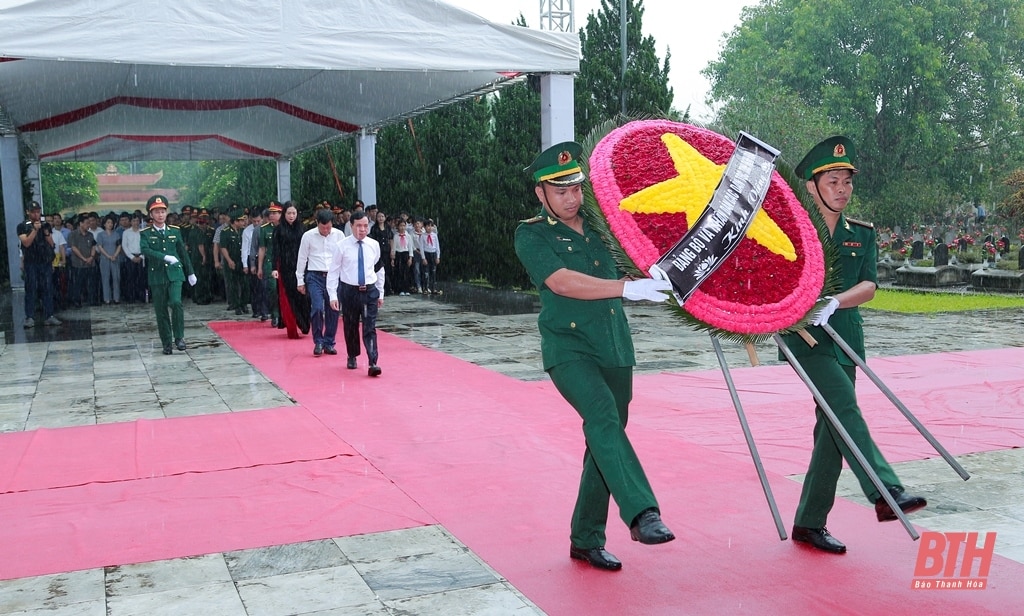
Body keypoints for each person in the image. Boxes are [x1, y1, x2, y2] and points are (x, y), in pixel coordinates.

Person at [514, 141, 676, 572]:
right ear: (541, 194)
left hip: (614, 346)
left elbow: (636, 264)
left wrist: (650, 277)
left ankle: (585, 539)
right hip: (569, 349)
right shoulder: (531, 233)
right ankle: (642, 513)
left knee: (603, 441)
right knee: (603, 418)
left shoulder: (605, 228)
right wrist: (624, 288)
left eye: (576, 188)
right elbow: (562, 281)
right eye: (560, 189)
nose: (571, 197)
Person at [783, 136, 927, 555]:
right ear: (811, 185)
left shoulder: (861, 233)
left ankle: (810, 522)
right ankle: (885, 491)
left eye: (847, 181)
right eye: (833, 180)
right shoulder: (794, 233)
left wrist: (835, 301)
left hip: (846, 336)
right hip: (805, 338)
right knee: (844, 408)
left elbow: (869, 285)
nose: (842, 188)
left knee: (832, 428)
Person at [328, 211, 385, 376]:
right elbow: (333, 272)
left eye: (365, 226)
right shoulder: (342, 246)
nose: (362, 229)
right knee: (350, 325)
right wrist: (333, 295)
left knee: (369, 327)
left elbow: (379, 269)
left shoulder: (373, 245)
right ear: (351, 226)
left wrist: (380, 293)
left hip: (369, 291)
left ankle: (373, 361)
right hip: (349, 291)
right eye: (359, 226)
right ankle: (352, 354)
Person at [140, 195, 196, 355]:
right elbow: (145, 250)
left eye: (163, 211)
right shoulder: (146, 233)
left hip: (175, 274)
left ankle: (179, 337)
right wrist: (163, 257)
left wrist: (190, 272)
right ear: (151, 215)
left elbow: (183, 253)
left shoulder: (175, 231)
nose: (160, 215)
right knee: (161, 310)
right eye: (156, 212)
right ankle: (166, 342)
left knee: (176, 302)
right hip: (157, 276)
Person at [296, 208, 345, 356]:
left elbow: (344, 257)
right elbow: (302, 258)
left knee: (333, 310)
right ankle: (318, 341)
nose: (326, 230)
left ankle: (329, 342)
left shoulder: (339, 235)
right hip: (314, 276)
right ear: (317, 223)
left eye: (328, 227)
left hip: (333, 277)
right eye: (323, 228)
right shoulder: (308, 236)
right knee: (317, 308)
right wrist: (300, 280)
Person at [17, 201, 61, 327]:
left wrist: (46, 232)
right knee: (31, 289)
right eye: (33, 212)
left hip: (44, 262)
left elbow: (51, 244)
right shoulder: (22, 226)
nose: (36, 214)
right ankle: (29, 317)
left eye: (38, 211)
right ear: (28, 212)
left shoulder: (45, 225)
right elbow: (26, 243)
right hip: (31, 262)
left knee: (47, 288)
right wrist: (35, 230)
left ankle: (49, 315)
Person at [272, 202, 311, 337]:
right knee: (289, 297)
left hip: (300, 266)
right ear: (284, 214)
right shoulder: (278, 230)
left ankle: (305, 322)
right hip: (285, 267)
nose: (291, 216)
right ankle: (292, 324)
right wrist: (274, 269)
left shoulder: (302, 228)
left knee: (303, 296)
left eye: (294, 213)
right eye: (289, 213)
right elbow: (275, 250)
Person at [257, 201, 283, 326]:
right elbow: (262, 248)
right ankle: (275, 314)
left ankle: (285, 314)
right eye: (270, 213)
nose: (271, 215)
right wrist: (259, 267)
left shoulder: (285, 227)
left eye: (275, 213)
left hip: (284, 261)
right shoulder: (264, 229)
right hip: (270, 262)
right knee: (273, 289)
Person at [96, 215, 122, 304]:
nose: (110, 224)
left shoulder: (116, 234)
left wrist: (114, 255)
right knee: (105, 278)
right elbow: (100, 247)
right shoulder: (100, 235)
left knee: (116, 278)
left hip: (115, 258)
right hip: (104, 259)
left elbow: (119, 245)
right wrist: (108, 256)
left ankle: (116, 298)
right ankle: (106, 298)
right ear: (104, 224)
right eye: (108, 223)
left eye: (111, 223)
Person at [121, 213, 146, 303]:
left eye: (137, 221)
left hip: (141, 257)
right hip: (130, 257)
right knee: (130, 278)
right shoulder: (126, 233)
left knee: (141, 278)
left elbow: (146, 246)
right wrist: (131, 257)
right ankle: (131, 297)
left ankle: (141, 297)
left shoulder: (143, 232)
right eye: (133, 221)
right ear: (130, 222)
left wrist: (141, 256)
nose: (135, 223)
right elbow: (124, 246)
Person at [421, 218, 441, 294]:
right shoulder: (423, 236)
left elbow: (437, 246)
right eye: (427, 226)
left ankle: (434, 288)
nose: (429, 228)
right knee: (426, 273)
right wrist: (423, 258)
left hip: (433, 254)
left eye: (431, 226)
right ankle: (425, 288)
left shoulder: (434, 235)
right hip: (426, 254)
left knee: (433, 272)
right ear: (424, 227)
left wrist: (437, 256)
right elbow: (422, 248)